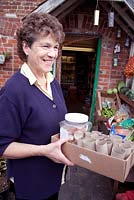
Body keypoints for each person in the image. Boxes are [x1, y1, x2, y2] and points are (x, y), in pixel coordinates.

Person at [0, 12, 74, 200]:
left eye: (56, 47)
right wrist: (43, 150)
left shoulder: (52, 81)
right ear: (26, 47)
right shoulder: (14, 91)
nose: (53, 54)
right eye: (46, 46)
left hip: (54, 177)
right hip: (31, 184)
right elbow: (3, 146)